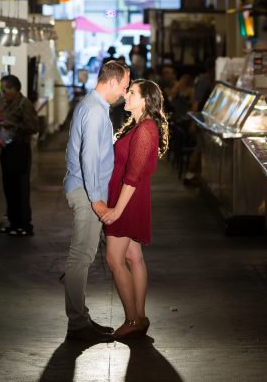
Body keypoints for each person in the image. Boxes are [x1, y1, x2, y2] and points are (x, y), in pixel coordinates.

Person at [62, 60, 130, 342]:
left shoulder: (95, 107)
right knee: (81, 257)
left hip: (87, 189)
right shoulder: (94, 111)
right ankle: (78, 324)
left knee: (83, 256)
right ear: (111, 82)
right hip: (87, 192)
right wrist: (97, 200)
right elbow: (88, 158)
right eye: (124, 87)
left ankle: (81, 318)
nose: (125, 94)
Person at [100, 79, 169, 339]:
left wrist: (117, 210)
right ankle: (139, 317)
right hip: (129, 198)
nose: (126, 95)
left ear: (145, 100)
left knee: (114, 259)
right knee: (133, 258)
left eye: (132, 93)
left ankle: (131, 319)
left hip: (126, 200)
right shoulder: (140, 126)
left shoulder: (145, 130)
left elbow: (133, 175)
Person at [0, 75, 39, 236]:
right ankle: (14, 223)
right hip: (8, 149)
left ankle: (24, 225)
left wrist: (12, 125)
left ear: (14, 89)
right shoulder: (9, 103)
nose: (3, 93)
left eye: (5, 90)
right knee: (10, 187)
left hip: (20, 150)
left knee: (21, 188)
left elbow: (33, 127)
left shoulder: (25, 104)